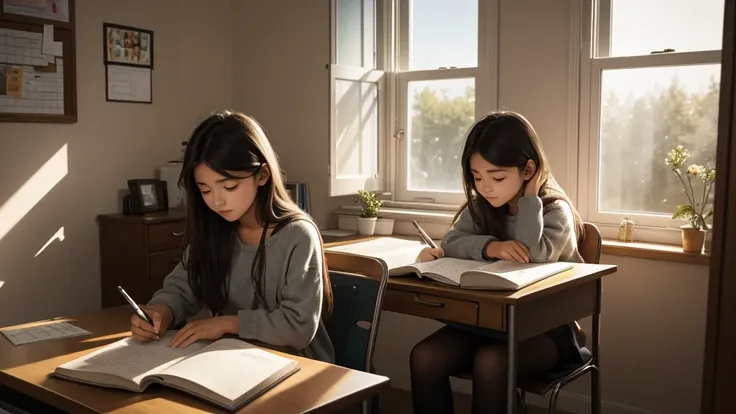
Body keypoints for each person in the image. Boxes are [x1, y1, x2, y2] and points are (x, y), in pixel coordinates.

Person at [411, 111, 588, 413]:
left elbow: (532, 254)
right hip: (490, 323)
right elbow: (451, 242)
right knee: (424, 357)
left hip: (549, 329)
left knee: (490, 362)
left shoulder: (554, 210)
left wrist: (531, 197)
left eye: (497, 176)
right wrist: (493, 246)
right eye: (477, 177)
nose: (485, 187)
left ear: (529, 169)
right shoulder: (483, 207)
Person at [129, 111, 335, 363]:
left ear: (262, 175)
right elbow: (181, 288)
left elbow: (298, 326)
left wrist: (227, 323)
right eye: (205, 190)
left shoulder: (297, 235)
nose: (217, 200)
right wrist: (159, 313)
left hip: (297, 364)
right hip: (233, 358)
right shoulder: (216, 227)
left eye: (229, 187)